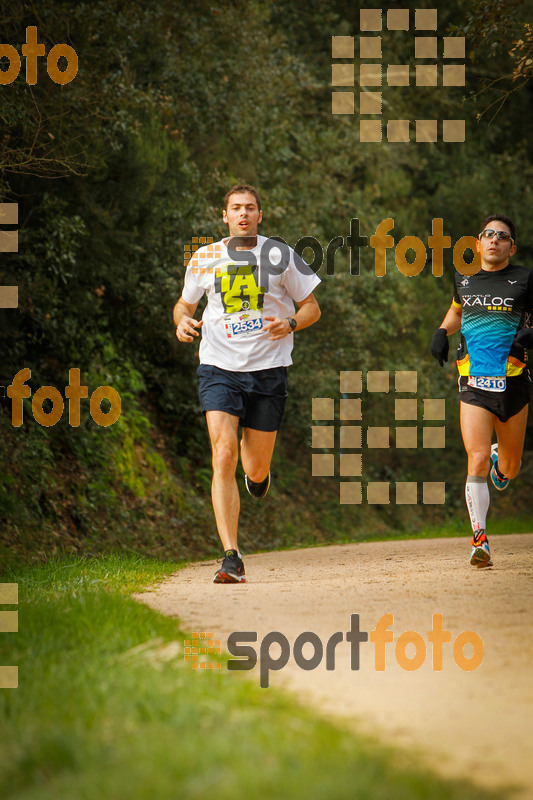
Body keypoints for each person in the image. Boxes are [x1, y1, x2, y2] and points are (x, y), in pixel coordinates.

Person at [173, 184, 321, 582]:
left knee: (254, 468)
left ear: (260, 215)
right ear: (224, 216)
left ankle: (256, 473)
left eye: (250, 208)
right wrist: (182, 321)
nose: (242, 213)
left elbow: (312, 308)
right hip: (218, 367)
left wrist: (290, 322)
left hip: (269, 370)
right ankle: (231, 556)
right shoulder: (206, 257)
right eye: (235, 208)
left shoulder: (281, 255)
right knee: (223, 455)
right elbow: (185, 304)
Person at [431, 214, 533, 568]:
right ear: (478, 243)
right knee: (473, 458)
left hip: (514, 381)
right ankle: (480, 541)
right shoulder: (464, 280)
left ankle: (499, 464)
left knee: (511, 467)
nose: (494, 240)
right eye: (488, 235)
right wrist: (442, 331)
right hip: (473, 382)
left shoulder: (525, 279)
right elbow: (457, 310)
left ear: (511, 247)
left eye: (501, 236)